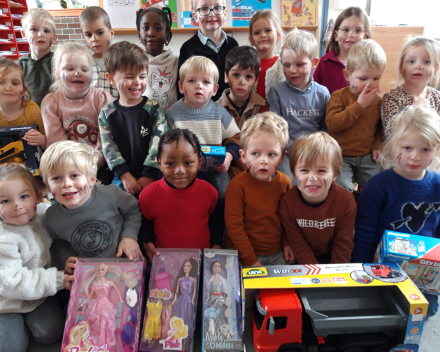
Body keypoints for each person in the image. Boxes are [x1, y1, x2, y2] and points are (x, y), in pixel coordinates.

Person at [352, 106, 440, 317]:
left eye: (425, 150)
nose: (415, 157)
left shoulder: (437, 185)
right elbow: (364, 232)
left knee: (425, 311)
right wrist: (358, 269)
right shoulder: (378, 185)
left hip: (423, 269)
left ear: (436, 150)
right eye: (407, 148)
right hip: (383, 264)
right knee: (379, 309)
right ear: (393, 146)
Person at [0, 163, 74, 352]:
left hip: (38, 295)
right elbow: (12, 283)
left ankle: (28, 325)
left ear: (37, 197)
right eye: (5, 201)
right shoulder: (4, 238)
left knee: (51, 332)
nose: (17, 206)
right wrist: (58, 279)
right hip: (6, 304)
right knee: (11, 347)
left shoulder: (43, 214)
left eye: (24, 197)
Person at [39, 141, 143, 274]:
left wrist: (129, 237)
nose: (66, 184)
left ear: (91, 179)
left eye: (74, 175)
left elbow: (134, 209)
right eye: (57, 178)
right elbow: (59, 242)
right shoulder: (52, 216)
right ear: (48, 187)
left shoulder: (111, 194)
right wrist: (66, 259)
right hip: (91, 276)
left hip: (129, 267)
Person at [166, 56, 241, 229]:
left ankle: (219, 232)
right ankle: (182, 228)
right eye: (192, 80)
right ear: (181, 86)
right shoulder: (172, 114)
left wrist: (229, 157)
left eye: (205, 82)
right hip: (182, 170)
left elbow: (236, 138)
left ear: (214, 89)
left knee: (224, 194)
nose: (199, 86)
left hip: (214, 171)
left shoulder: (219, 112)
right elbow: (164, 147)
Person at [139, 128, 222, 263]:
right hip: (165, 264)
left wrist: (216, 246)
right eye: (170, 164)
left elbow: (215, 223)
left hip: (202, 262)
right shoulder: (148, 196)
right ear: (159, 163)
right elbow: (145, 224)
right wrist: (147, 243)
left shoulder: (209, 192)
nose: (179, 170)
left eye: (188, 163)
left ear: (199, 163)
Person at [225, 112, 294, 266]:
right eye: (255, 154)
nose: (263, 161)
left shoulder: (285, 183)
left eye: (271, 154)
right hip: (243, 254)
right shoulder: (236, 186)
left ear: (282, 158)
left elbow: (289, 219)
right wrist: (251, 260)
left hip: (277, 253)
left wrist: (287, 243)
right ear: (243, 156)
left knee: (283, 289)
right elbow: (234, 228)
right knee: (246, 290)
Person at [99, 41, 167, 195]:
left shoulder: (154, 108)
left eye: (142, 76)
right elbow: (108, 147)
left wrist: (149, 173)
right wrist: (125, 175)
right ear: (111, 78)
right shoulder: (106, 113)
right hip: (122, 177)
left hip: (154, 173)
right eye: (129, 76)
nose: (137, 82)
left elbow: (160, 141)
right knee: (119, 205)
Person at [41, 42, 114, 184]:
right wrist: (75, 170)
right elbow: (57, 143)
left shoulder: (103, 99)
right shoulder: (51, 102)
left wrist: (91, 166)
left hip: (100, 164)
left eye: (84, 69)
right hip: (66, 166)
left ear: (91, 73)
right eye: (70, 68)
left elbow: (106, 140)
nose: (78, 73)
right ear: (56, 72)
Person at [278, 132, 356, 264]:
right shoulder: (287, 203)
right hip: (304, 259)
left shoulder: (346, 201)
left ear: (336, 173)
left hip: (334, 258)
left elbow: (344, 244)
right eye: (304, 170)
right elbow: (297, 243)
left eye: (321, 171)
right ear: (293, 172)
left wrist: (334, 276)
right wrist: (316, 274)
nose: (312, 178)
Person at [267, 29, 330, 183]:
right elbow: (276, 131)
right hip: (288, 154)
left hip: (316, 152)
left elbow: (325, 129)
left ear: (314, 63)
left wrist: (315, 151)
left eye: (299, 64)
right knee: (290, 182)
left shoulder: (322, 94)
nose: (292, 70)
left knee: (321, 182)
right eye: (287, 65)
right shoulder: (276, 92)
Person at [326, 39, 386, 192]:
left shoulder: (378, 100)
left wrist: (378, 145)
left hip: (367, 156)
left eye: (376, 78)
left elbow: (380, 126)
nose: (370, 84)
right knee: (342, 189)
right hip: (341, 156)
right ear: (347, 75)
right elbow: (332, 124)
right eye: (363, 78)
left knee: (377, 187)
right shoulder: (338, 96)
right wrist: (359, 105)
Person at [216, 46, 265, 177]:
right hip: (226, 163)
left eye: (248, 76)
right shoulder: (215, 109)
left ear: (256, 81)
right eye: (236, 75)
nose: (242, 81)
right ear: (226, 76)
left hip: (256, 161)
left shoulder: (263, 108)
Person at [177, 0, 238, 101]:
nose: (212, 13)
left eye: (217, 8)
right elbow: (182, 86)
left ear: (225, 13)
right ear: (195, 16)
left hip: (229, 109)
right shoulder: (188, 47)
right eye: (204, 9)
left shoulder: (233, 45)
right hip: (198, 110)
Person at [381, 36, 440, 139]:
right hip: (401, 152)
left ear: (436, 69)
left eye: (426, 62)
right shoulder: (392, 97)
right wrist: (418, 112)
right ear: (401, 68)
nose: (418, 66)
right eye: (411, 61)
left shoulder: (437, 97)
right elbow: (391, 134)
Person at [314, 6, 371, 94]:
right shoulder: (324, 62)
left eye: (358, 30)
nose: (351, 35)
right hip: (329, 107)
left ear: (365, 36)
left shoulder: (369, 63)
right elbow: (314, 90)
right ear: (336, 35)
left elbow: (374, 91)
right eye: (346, 30)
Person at [136, 6, 178, 110]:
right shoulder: (134, 63)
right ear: (139, 35)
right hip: (144, 121)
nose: (151, 33)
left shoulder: (177, 62)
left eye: (158, 29)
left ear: (167, 36)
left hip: (172, 121)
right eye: (145, 28)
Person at [0, 58, 45, 148]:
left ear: (24, 91)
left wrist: (42, 140)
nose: (8, 87)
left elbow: (48, 142)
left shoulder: (32, 110)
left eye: (15, 83)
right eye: (1, 82)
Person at [18, 8, 57, 107]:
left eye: (46, 31)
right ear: (23, 34)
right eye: (34, 29)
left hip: (54, 115)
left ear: (54, 38)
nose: (40, 34)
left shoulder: (59, 62)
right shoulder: (18, 66)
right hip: (28, 117)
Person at [79, 6, 119, 99]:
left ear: (111, 33)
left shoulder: (122, 61)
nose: (94, 39)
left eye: (99, 33)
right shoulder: (83, 65)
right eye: (88, 35)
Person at [248, 9, 284, 105]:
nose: (263, 35)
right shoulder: (245, 65)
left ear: (278, 34)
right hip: (250, 119)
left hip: (277, 119)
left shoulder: (284, 65)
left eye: (268, 30)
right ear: (251, 40)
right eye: (257, 33)